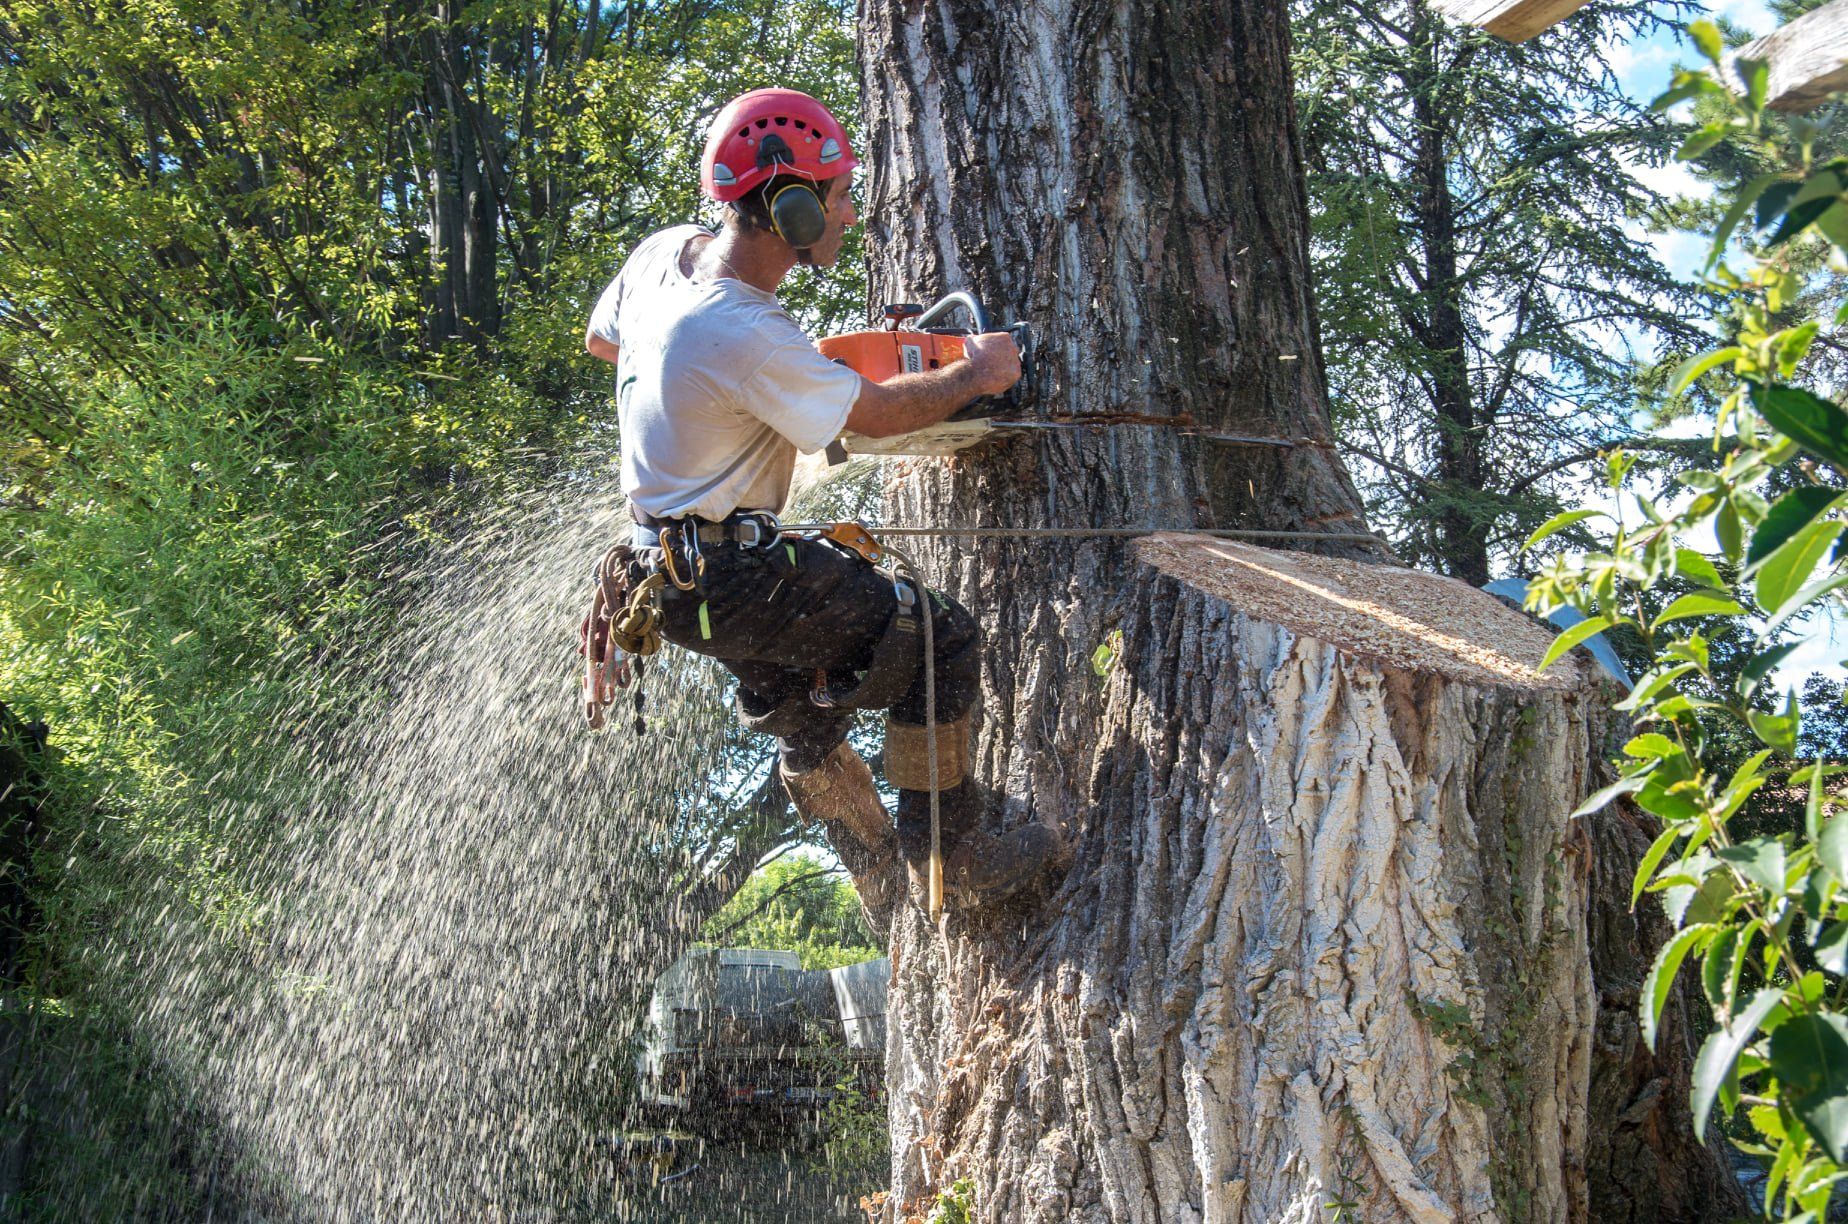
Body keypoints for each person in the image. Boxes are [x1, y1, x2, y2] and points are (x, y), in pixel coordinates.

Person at [584, 88, 1063, 910]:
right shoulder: (741, 330)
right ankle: (957, 854)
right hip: (729, 574)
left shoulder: (665, 257)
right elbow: (871, 414)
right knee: (938, 641)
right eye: (838, 198)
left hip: (664, 579)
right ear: (792, 207)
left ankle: (873, 862)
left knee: (803, 699)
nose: (849, 215)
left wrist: (742, 395)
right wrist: (977, 374)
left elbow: (605, 341)